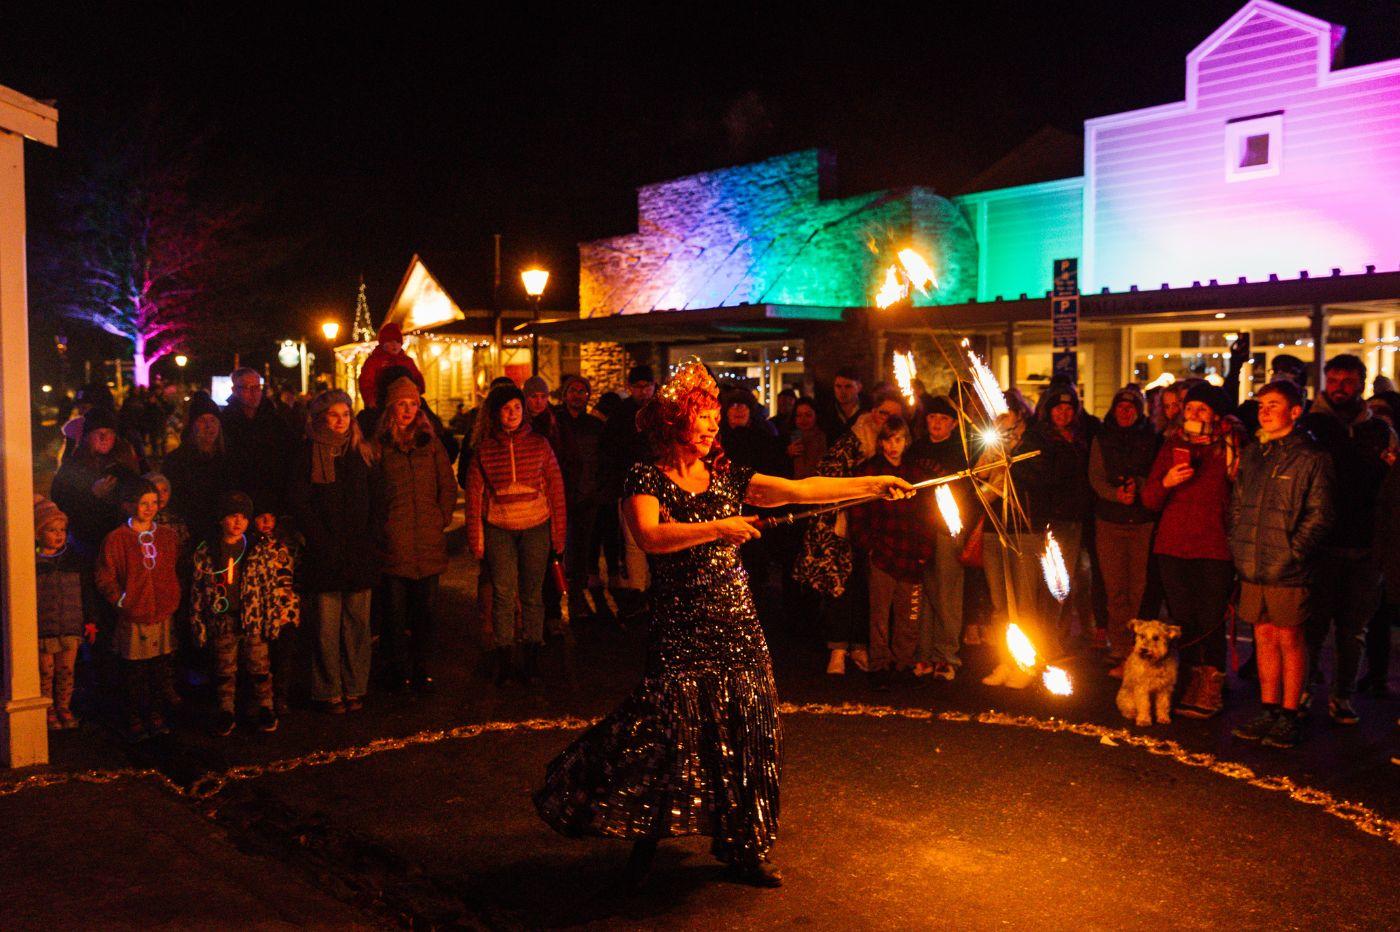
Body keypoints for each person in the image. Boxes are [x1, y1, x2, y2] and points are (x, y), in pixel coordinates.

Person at [533, 358, 913, 889]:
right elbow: (649, 535)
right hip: (682, 620)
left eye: (714, 414)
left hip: (735, 616)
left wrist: (872, 484)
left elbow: (798, 490)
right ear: (674, 422)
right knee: (670, 728)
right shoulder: (644, 476)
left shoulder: (729, 475)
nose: (712, 423)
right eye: (701, 415)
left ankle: (744, 847)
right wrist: (718, 528)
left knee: (747, 728)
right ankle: (648, 835)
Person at [1229, 380, 1334, 749]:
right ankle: (1268, 708)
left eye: (1274, 404)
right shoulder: (1256, 454)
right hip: (1254, 563)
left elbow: (1319, 515)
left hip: (1287, 567)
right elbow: (1239, 505)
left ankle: (1290, 713)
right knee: (1262, 636)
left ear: (1295, 411)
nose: (1265, 411)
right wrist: (1240, 547)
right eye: (1261, 405)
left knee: (1289, 638)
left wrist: (1292, 552)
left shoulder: (1311, 457)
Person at [1140, 382, 1240, 715]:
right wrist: (1167, 482)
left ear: (1215, 414)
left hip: (1213, 547)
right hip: (1173, 547)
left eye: (1202, 409)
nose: (1194, 414)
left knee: (1211, 620)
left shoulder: (1230, 447)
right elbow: (1150, 499)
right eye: (1190, 408)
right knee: (1184, 620)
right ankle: (1189, 681)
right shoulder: (1173, 444)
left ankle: (1211, 684)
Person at [794, 392, 905, 675]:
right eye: (882, 413)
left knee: (868, 590)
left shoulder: (896, 445)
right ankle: (839, 650)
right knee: (841, 587)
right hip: (841, 523)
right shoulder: (854, 439)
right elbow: (827, 474)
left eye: (893, 416)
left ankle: (860, 646)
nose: (886, 421)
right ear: (872, 412)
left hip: (875, 526)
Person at [465, 383, 567, 685]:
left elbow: (555, 489)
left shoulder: (539, 444)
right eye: (506, 408)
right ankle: (505, 657)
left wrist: (558, 535)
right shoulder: (484, 449)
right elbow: (475, 497)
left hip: (536, 525)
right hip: (500, 528)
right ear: (496, 413)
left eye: (517, 408)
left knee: (533, 593)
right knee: (503, 593)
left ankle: (533, 655)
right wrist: (476, 538)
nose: (512, 413)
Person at [290, 389, 379, 714]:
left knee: (357, 624)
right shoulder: (308, 453)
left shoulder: (361, 452)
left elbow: (376, 499)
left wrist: (370, 539)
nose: (340, 421)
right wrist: (320, 540)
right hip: (324, 553)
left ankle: (355, 685)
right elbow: (301, 502)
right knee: (326, 627)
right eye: (333, 414)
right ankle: (328, 689)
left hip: (358, 551)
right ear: (321, 417)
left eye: (345, 414)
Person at [372, 376, 458, 693]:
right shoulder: (380, 446)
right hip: (394, 543)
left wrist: (441, 517)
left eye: (412, 404)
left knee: (426, 614)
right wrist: (383, 526)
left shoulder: (430, 444)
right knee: (394, 615)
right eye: (401, 404)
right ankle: (399, 669)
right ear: (391, 408)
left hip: (428, 543)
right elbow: (374, 492)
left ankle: (421, 667)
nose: (407, 410)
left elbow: (446, 485)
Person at [189, 492, 299, 736]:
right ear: (221, 519)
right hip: (222, 618)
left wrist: (271, 619)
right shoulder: (208, 550)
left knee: (259, 666)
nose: (237, 522)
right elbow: (198, 589)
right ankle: (226, 710)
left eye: (243, 517)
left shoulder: (257, 549)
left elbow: (269, 587)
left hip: (253, 619)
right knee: (224, 669)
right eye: (232, 516)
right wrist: (198, 622)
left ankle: (265, 706)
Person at [94, 476, 182, 742]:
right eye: (144, 503)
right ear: (130, 505)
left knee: (158, 668)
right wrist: (121, 599)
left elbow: (172, 568)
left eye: (154, 502)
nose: (150, 508)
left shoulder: (167, 536)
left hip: (161, 611)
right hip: (134, 613)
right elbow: (105, 575)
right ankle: (134, 716)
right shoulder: (117, 539)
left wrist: (171, 594)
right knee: (134, 671)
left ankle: (155, 714)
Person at [850, 416, 930, 690]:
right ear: (880, 441)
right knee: (880, 615)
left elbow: (926, 515)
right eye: (887, 440)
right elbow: (858, 512)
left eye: (897, 440)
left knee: (908, 615)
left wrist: (924, 549)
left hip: (910, 552)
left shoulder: (915, 474)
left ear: (905, 441)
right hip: (882, 552)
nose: (892, 446)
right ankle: (881, 665)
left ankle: (903, 664)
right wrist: (869, 545)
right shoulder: (870, 472)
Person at [1089, 386, 1161, 667]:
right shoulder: (1103, 437)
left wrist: (1139, 488)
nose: (1126, 412)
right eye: (1121, 407)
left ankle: (1138, 645)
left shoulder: (1151, 437)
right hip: (1110, 520)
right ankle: (1119, 644)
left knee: (1138, 588)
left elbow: (1156, 473)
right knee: (1115, 587)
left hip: (1141, 521)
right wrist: (1114, 494)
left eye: (1131, 408)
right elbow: (1095, 476)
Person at [907, 395, 970, 679]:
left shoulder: (959, 452)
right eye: (933, 418)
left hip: (947, 527)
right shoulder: (916, 449)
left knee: (947, 591)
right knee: (924, 590)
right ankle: (924, 652)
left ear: (953, 424)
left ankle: (947, 654)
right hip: (920, 527)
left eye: (943, 419)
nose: (937, 424)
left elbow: (967, 493)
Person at [598, 365, 657, 616]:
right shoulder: (622, 416)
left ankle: (653, 589)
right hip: (631, 485)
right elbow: (610, 451)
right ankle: (637, 590)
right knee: (634, 541)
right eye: (638, 387)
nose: (643, 391)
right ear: (630, 388)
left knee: (660, 538)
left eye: (647, 386)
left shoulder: (662, 412)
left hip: (659, 485)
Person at [34, 497, 96, 730]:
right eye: (51, 530)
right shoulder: (33, 562)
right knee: (46, 671)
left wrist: (90, 621)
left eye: (62, 529)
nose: (59, 535)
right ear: (38, 533)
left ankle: (63, 706)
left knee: (67, 669)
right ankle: (47, 708)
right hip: (45, 627)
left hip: (70, 623)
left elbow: (86, 592)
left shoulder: (74, 560)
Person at [50, 406, 144, 560]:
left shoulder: (123, 465)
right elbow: (60, 504)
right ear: (87, 436)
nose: (105, 438)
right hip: (86, 547)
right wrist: (92, 495)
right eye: (99, 433)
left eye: (110, 433)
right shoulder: (73, 467)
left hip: (120, 545)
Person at [554, 375, 608, 621]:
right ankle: (553, 605)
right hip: (559, 497)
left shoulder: (595, 426)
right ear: (564, 395)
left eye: (582, 391)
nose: (577, 395)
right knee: (556, 553)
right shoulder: (555, 423)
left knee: (582, 553)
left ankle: (576, 600)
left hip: (587, 497)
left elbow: (602, 460)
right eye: (572, 390)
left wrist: (596, 489)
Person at [221, 368, 295, 520]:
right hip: (239, 499)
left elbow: (289, 454)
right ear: (235, 390)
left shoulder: (275, 420)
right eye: (247, 388)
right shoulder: (225, 421)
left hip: (273, 495)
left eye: (257, 387)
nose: (253, 393)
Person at [162, 391, 231, 545]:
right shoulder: (176, 461)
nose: (208, 426)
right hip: (191, 535)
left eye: (213, 420)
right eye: (202, 420)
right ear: (192, 425)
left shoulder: (229, 458)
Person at [252, 503, 301, 718]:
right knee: (261, 660)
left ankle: (280, 697)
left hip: (286, 611)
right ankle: (262, 700)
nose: (266, 522)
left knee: (283, 659)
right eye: (261, 517)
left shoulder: (288, 543)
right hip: (261, 613)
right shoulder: (251, 545)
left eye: (270, 516)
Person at [357, 321, 426, 411]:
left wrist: (417, 391)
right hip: (382, 402)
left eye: (397, 341)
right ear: (383, 343)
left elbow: (417, 377)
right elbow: (366, 381)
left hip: (406, 399)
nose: (394, 344)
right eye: (390, 341)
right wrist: (370, 399)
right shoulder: (374, 361)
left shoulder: (407, 361)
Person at [819, 366, 870, 443]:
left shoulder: (869, 409)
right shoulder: (825, 411)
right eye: (838, 386)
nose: (842, 391)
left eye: (848, 386)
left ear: (859, 388)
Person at [784, 398, 827, 480]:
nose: (803, 420)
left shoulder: (823, 437)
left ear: (816, 415)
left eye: (808, 415)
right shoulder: (789, 437)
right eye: (799, 415)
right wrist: (787, 454)